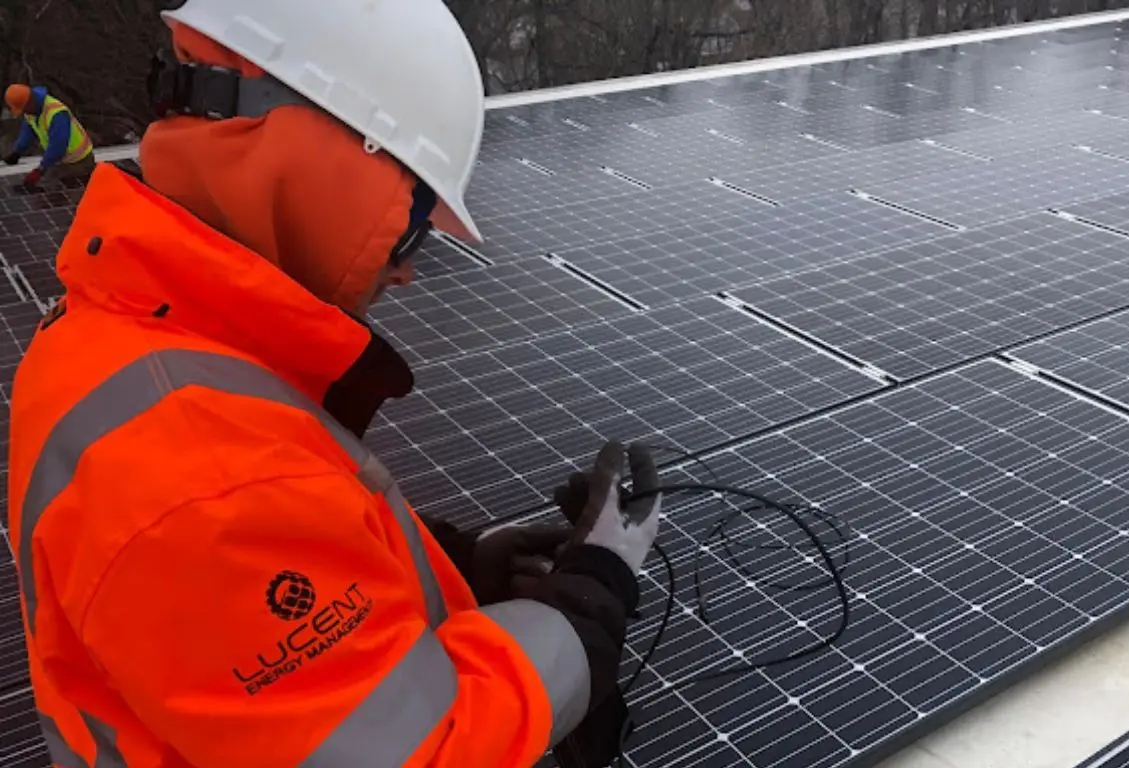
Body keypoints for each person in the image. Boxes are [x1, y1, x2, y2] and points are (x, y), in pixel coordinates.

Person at [7, 1, 661, 767]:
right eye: (409, 222)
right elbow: (422, 752)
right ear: (330, 170)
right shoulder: (206, 478)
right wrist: (590, 602)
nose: (407, 268)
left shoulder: (127, 326)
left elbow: (248, 623)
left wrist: (452, 566)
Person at [3, 83, 95, 190]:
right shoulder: (31, 111)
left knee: (58, 193)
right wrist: (17, 152)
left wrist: (40, 170)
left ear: (29, 103)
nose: (23, 112)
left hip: (79, 162)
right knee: (46, 188)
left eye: (23, 109)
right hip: (61, 160)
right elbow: (28, 131)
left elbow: (58, 147)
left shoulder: (57, 114)